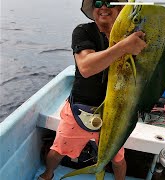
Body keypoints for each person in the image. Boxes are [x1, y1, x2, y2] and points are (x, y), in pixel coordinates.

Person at [39, 0, 146, 179]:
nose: (103, 6)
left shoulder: (134, 37)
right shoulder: (83, 31)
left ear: (120, 8)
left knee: (118, 159)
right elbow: (86, 67)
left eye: (110, 2)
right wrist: (124, 47)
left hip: (115, 114)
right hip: (80, 109)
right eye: (97, 2)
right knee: (58, 150)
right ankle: (48, 174)